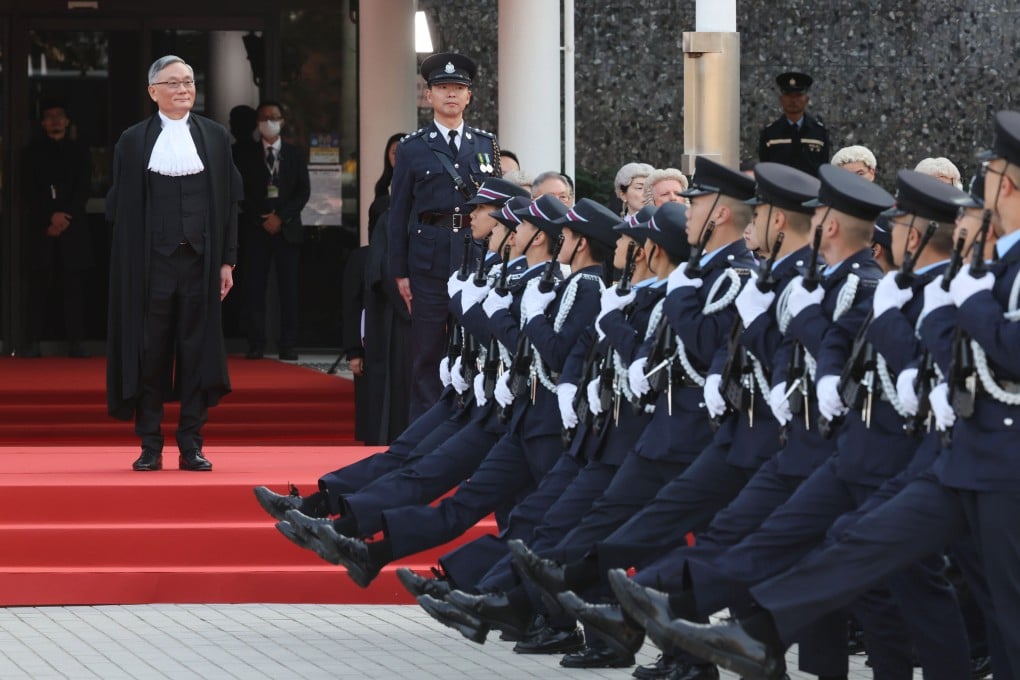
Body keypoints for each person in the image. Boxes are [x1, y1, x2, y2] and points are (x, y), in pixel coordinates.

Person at [106, 55, 242, 472]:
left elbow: (230, 205)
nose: (184, 89)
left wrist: (227, 262)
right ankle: (150, 444)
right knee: (150, 353)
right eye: (173, 83)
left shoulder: (216, 137)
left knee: (196, 352)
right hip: (151, 268)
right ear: (153, 91)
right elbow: (121, 212)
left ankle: (191, 443)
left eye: (189, 81)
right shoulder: (132, 140)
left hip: (200, 264)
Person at [387, 52, 501, 420]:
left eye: (458, 89)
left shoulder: (486, 145)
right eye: (442, 88)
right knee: (427, 350)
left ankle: (471, 423)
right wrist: (399, 271)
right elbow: (399, 213)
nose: (450, 95)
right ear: (429, 96)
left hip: (475, 254)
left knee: (477, 344)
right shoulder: (412, 147)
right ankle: (424, 430)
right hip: (429, 258)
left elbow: (497, 207)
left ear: (469, 97)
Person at [235, 100, 311, 361]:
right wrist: (262, 218)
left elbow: (303, 191)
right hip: (256, 230)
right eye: (265, 117)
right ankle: (256, 343)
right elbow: (240, 191)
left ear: (282, 121)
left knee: (289, 289)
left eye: (274, 116)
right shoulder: (244, 155)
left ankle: (288, 343)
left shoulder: (295, 154)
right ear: (258, 123)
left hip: (287, 230)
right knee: (255, 288)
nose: (270, 121)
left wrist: (281, 216)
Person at [20, 100, 93, 358]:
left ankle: (77, 342)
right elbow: (28, 191)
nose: (54, 120)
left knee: (73, 288)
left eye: (58, 116)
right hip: (43, 229)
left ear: (66, 120)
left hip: (71, 230)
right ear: (42, 122)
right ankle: (33, 342)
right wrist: (49, 217)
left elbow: (84, 187)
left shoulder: (79, 152)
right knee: (38, 288)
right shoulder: (31, 153)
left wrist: (64, 217)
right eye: (49, 117)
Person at [758, 71, 831, 177]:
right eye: (788, 95)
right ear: (781, 99)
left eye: (798, 95)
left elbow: (823, 169)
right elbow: (765, 168)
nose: (793, 100)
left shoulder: (819, 133)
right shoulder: (770, 134)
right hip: (779, 191)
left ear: (806, 100)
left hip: (810, 191)